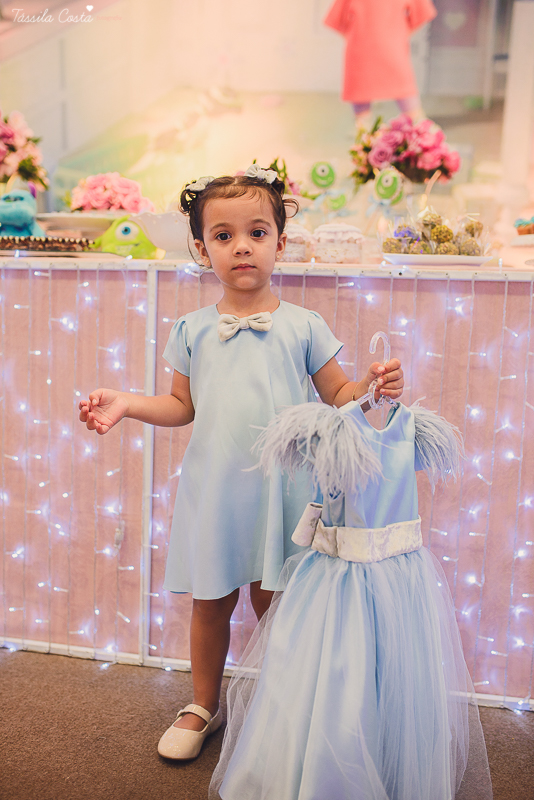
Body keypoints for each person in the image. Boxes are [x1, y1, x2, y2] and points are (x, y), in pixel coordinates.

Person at [78, 165, 404, 761]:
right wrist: (126, 402)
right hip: (217, 490)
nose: (242, 246)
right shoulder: (192, 329)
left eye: (257, 231)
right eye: (224, 236)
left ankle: (285, 700)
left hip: (285, 493)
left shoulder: (305, 325)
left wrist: (372, 387)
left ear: (281, 242)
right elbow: (182, 406)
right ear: (202, 250)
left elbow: (337, 396)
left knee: (275, 601)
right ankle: (204, 703)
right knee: (211, 600)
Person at [210, 398, 493, 800]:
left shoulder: (414, 429)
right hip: (347, 582)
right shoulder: (333, 430)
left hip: (396, 578)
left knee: (389, 677)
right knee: (339, 676)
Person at [324, 0, 437, 128]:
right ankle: (422, 138)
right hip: (391, 49)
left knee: (363, 120)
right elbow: (423, 13)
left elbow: (337, 21)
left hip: (362, 49)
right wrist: (400, 32)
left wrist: (359, 33)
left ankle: (365, 141)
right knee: (413, 112)